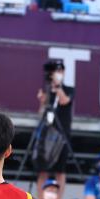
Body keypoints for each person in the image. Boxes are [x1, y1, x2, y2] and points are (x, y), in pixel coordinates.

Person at [35, 60, 74, 191]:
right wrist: (42, 101)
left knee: (60, 170)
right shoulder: (46, 90)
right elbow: (41, 114)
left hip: (61, 133)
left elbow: (64, 101)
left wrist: (57, 87)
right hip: (47, 133)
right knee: (43, 170)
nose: (57, 74)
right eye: (54, 71)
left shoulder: (68, 89)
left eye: (59, 71)